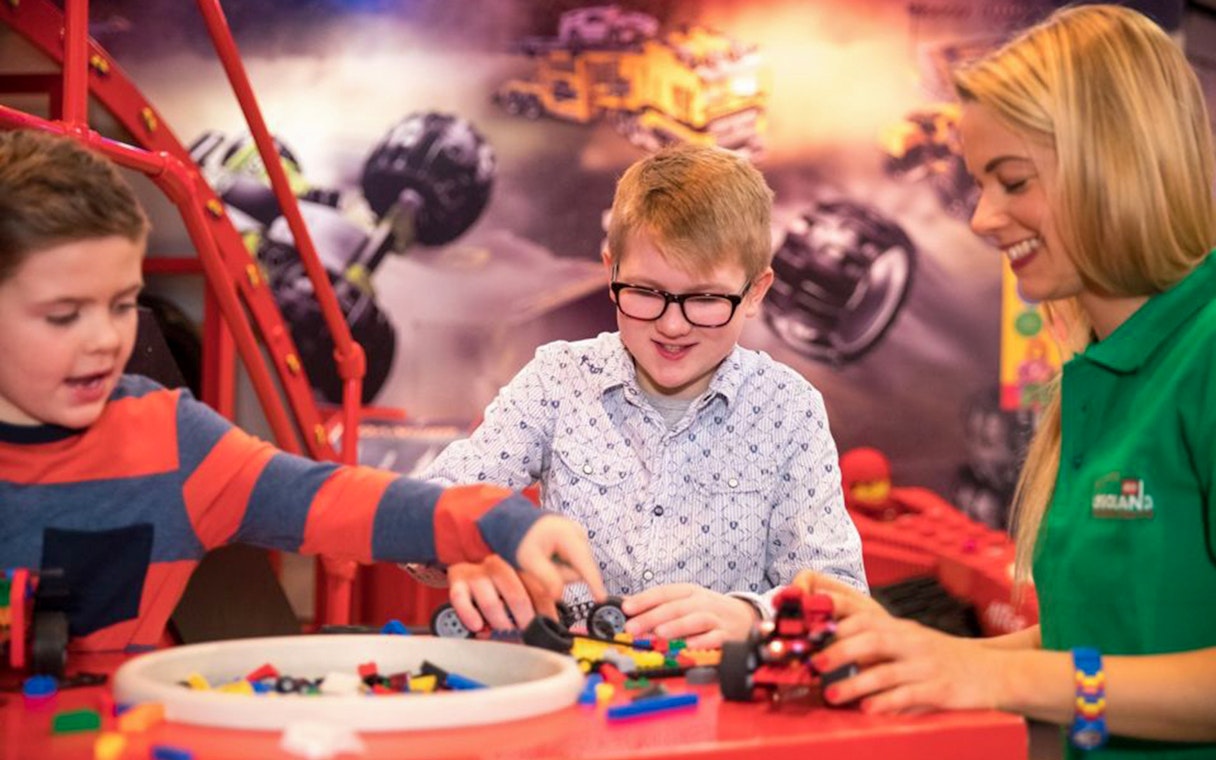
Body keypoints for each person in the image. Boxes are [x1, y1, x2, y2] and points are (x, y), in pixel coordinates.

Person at [0, 128, 605, 653]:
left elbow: (331, 501)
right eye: (64, 315)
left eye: (123, 305)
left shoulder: (171, 440)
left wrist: (500, 521)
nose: (105, 340)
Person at [799, 5, 1216, 757]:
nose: (984, 219)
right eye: (981, 184)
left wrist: (988, 675)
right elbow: (1108, 644)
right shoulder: (1103, 368)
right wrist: (917, 654)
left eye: (1013, 182)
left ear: (1116, 161)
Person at [418, 143, 867, 649]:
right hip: (572, 678)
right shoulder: (558, 380)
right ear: (611, 272)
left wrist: (752, 617)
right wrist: (462, 548)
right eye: (647, 293)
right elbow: (430, 508)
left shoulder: (788, 408)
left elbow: (842, 594)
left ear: (755, 292)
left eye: (705, 299)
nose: (672, 325)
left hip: (715, 686)